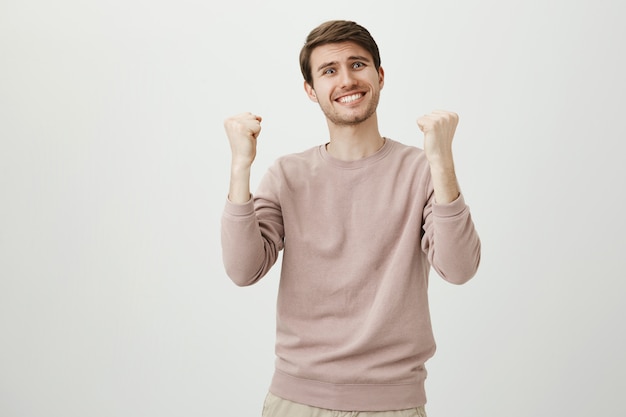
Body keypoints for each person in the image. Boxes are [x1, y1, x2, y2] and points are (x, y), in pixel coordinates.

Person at [221, 19, 481, 417]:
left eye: (357, 65)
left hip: (394, 404)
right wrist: (241, 166)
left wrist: (442, 161)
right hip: (297, 400)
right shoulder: (288, 175)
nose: (346, 79)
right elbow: (243, 270)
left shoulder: (421, 170)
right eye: (329, 70)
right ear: (311, 90)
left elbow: (459, 268)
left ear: (379, 76)